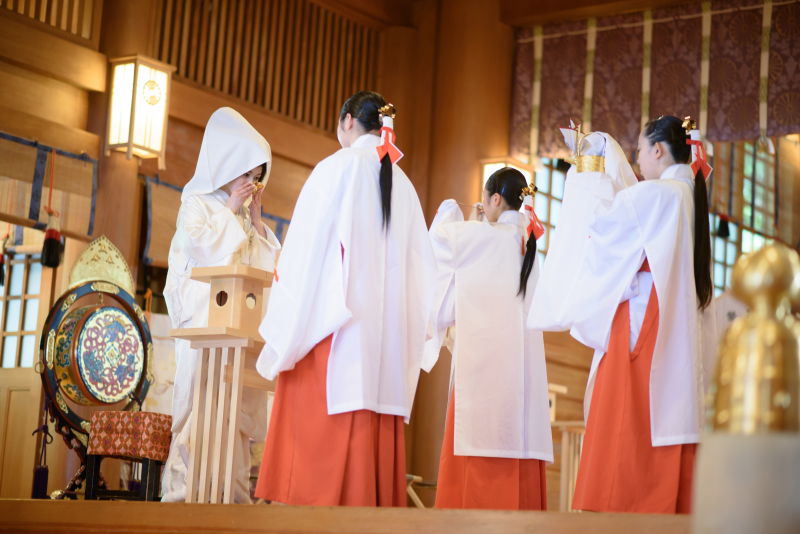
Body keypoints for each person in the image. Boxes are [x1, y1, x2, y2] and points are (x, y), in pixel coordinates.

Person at [254, 91, 437, 507]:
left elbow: (304, 255)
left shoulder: (336, 168)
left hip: (336, 337)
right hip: (384, 347)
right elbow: (422, 273)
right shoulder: (404, 186)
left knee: (312, 485)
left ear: (348, 120)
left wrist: (285, 320)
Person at [529, 117, 717, 513]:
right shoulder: (687, 196)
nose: (637, 160)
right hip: (668, 321)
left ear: (659, 150)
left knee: (624, 420)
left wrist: (589, 172)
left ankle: (620, 509)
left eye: (638, 151)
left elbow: (598, 230)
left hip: (641, 321)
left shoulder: (658, 193)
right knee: (658, 420)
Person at [161, 107, 281, 503]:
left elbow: (263, 266)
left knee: (233, 412)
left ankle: (229, 494)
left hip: (236, 329)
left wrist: (258, 221)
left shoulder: (247, 216)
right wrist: (231, 208)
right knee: (201, 408)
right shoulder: (196, 202)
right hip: (204, 326)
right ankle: (185, 493)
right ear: (229, 165)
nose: (251, 184)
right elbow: (199, 250)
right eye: (247, 174)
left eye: (256, 179)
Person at [424, 167, 553, 510]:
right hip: (520, 383)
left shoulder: (479, 237)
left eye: (485, 198)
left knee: (476, 455)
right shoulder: (526, 245)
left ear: (495, 199)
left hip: (482, 376)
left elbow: (432, 252)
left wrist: (449, 214)